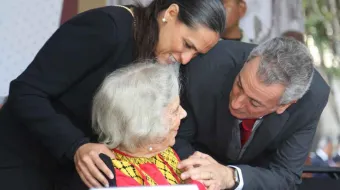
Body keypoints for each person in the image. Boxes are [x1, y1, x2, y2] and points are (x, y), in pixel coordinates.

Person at [0, 0, 226, 189]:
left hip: (81, 167)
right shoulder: (107, 28)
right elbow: (27, 92)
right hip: (25, 154)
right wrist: (75, 146)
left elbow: (174, 121)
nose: (186, 58)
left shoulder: (170, 56)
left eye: (196, 53)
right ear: (171, 13)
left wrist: (194, 163)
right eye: (187, 44)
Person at [174, 37, 330, 189]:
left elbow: (286, 175)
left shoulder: (311, 100)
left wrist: (231, 176)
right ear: (247, 62)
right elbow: (178, 137)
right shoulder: (208, 63)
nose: (236, 103)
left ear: (285, 105)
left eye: (254, 103)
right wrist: (203, 174)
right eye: (239, 85)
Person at [70, 61, 207, 189]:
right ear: (145, 125)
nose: (184, 114)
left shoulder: (179, 149)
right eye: (175, 110)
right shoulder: (104, 174)